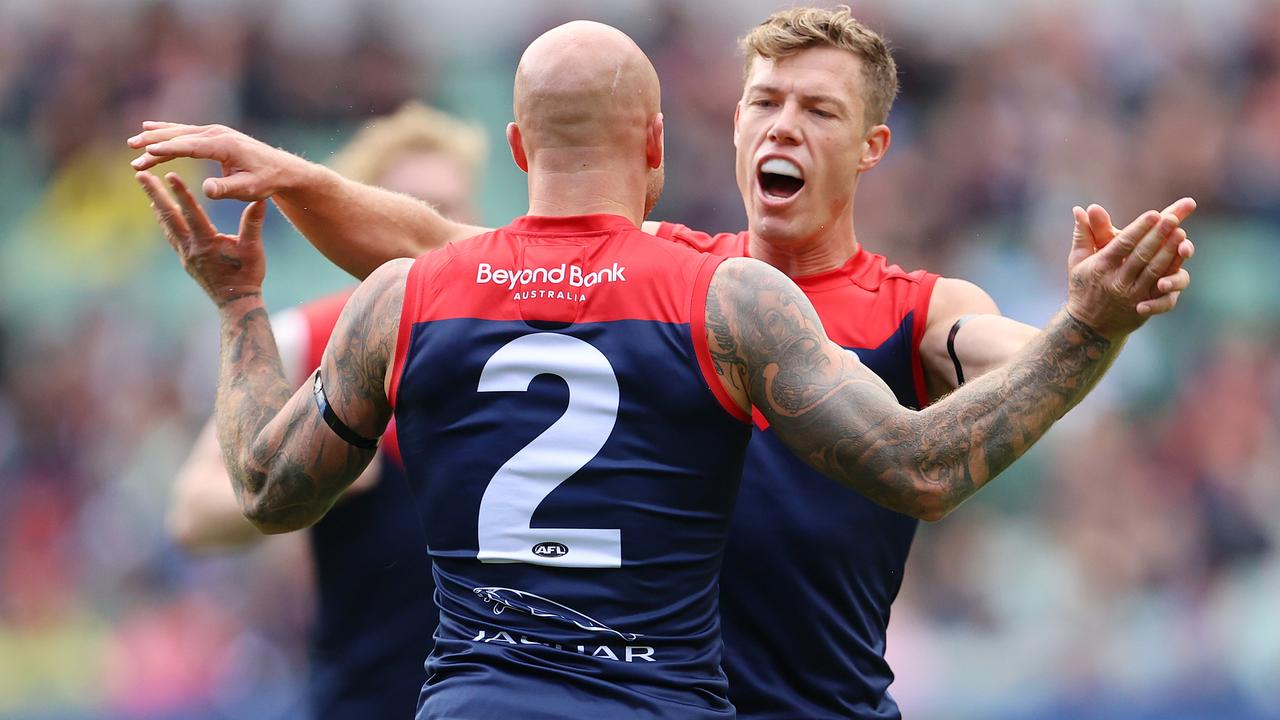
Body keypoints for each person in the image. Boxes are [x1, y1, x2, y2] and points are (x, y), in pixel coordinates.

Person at [136, 19, 1192, 720]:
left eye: (817, 110)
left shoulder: (915, 307)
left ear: (872, 146)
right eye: (763, 100)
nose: (782, 123)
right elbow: (441, 241)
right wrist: (304, 178)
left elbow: (1023, 360)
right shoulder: (693, 287)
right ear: (695, 131)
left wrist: (1089, 323)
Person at [164, 102, 486, 719]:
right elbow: (191, 513)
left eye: (447, 209)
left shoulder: (524, 340)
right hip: (366, 695)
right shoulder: (308, 340)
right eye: (405, 202)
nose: (422, 227)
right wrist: (309, 473)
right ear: (357, 217)